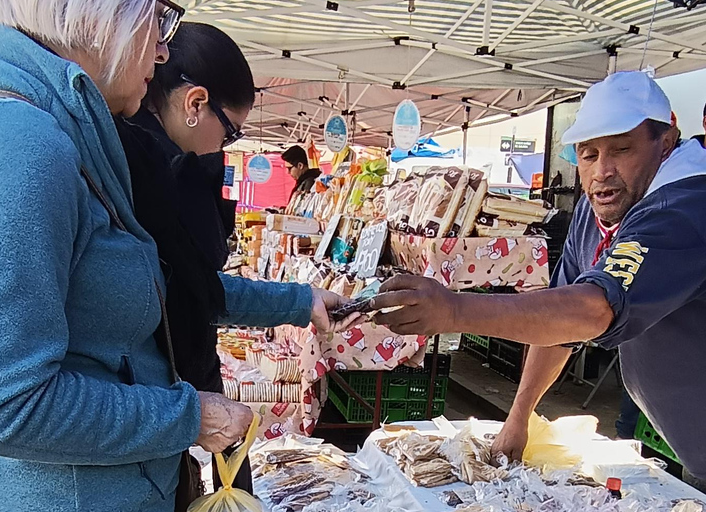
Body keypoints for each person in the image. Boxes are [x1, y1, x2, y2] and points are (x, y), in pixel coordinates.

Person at [0, 2, 258, 510]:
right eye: (158, 16)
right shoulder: (18, 144)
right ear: (102, 13)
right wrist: (190, 416)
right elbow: (7, 406)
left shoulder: (59, 128)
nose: (162, 46)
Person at [370, 71, 706, 491]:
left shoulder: (685, 207)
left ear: (666, 143)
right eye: (588, 154)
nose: (603, 171)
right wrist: (519, 415)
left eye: (622, 150)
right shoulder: (601, 203)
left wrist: (455, 309)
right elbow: (560, 323)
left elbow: (592, 310)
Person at [115, 22, 359, 497]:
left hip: (155, 424)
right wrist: (191, 415)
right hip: (139, 432)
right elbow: (11, 406)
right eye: (230, 133)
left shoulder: (159, 160)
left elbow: (197, 287)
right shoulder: (139, 170)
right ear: (195, 104)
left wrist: (301, 299)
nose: (229, 146)